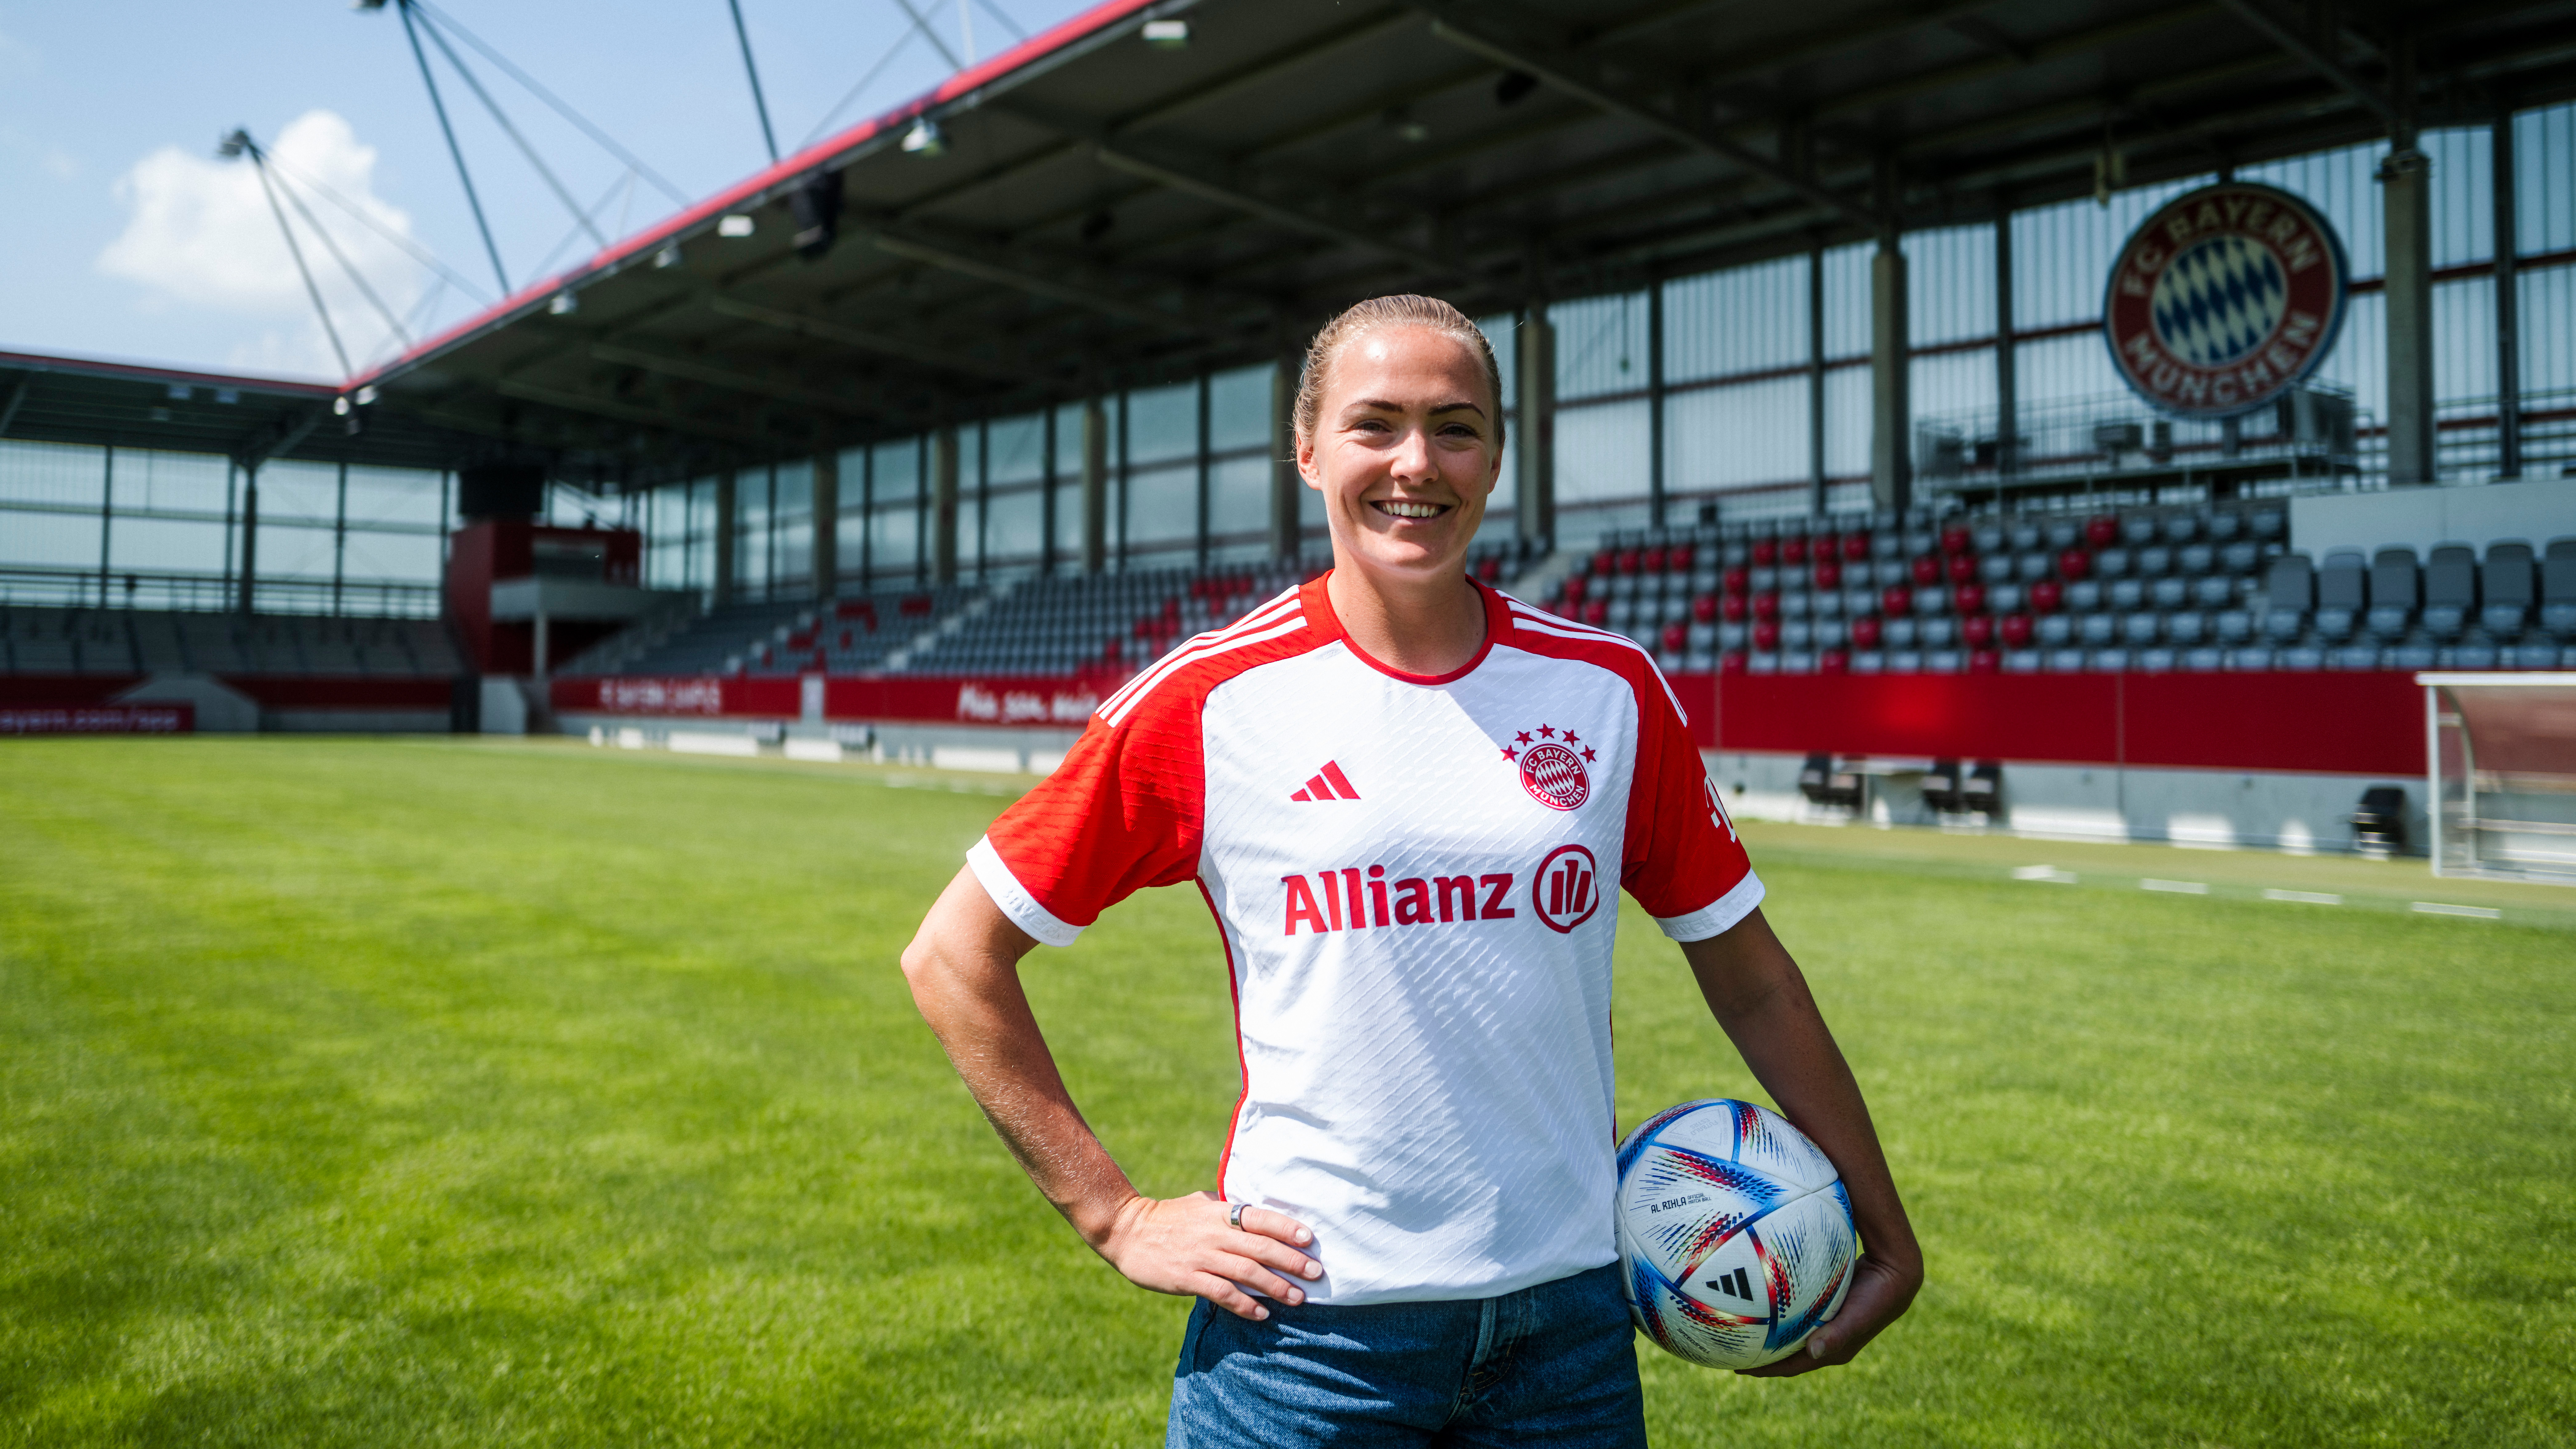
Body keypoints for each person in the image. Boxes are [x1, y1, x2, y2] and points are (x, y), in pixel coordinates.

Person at [901, 294, 1921, 1447]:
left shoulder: (1609, 691)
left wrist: (1884, 1228)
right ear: (1307, 450)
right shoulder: (1210, 698)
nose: (1415, 463)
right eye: (1374, 424)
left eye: (1456, 426)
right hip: (1306, 1341)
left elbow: (1753, 981)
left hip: (1570, 1337)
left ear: (1495, 457)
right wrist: (1116, 1212)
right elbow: (953, 956)